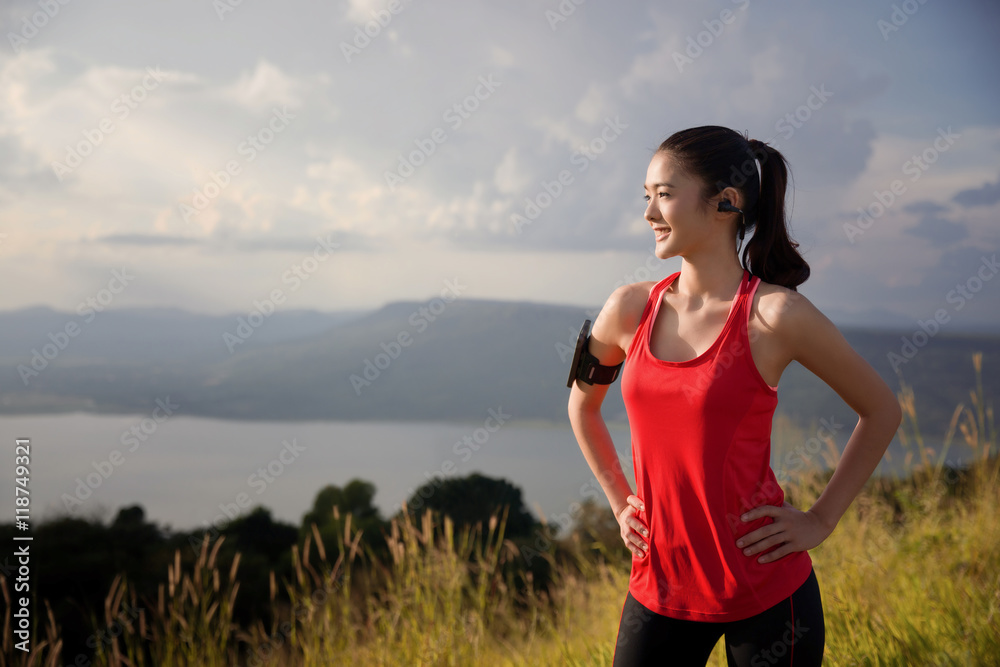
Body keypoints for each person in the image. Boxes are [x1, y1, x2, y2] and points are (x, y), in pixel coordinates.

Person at [566, 125, 902, 666]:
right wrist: (617, 499)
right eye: (646, 197)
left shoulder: (775, 316)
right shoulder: (628, 309)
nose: (649, 214)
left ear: (726, 202)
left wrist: (820, 520)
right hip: (659, 588)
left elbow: (882, 410)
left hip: (765, 591)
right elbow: (582, 406)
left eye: (665, 195)